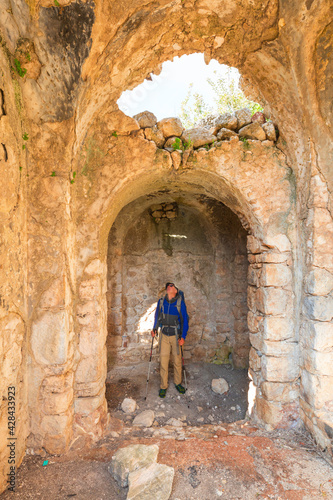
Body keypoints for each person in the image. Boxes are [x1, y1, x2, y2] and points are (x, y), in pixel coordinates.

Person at [151, 282, 189, 398]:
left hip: (176, 336)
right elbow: (157, 316)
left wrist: (183, 337)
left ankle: (178, 383)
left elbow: (185, 321)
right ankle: (163, 386)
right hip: (164, 335)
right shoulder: (161, 301)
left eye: (172, 286)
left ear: (176, 291)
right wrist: (154, 329)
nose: (169, 286)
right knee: (163, 361)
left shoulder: (180, 303)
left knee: (177, 361)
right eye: (168, 285)